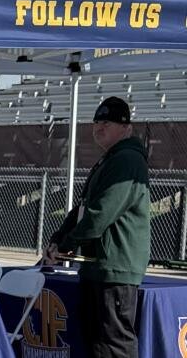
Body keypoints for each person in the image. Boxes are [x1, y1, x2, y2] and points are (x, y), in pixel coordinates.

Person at [43, 96, 149, 357]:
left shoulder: (126, 160)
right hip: (98, 266)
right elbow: (82, 209)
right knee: (97, 343)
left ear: (126, 128)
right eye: (96, 122)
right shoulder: (110, 159)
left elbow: (99, 216)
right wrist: (59, 239)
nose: (99, 127)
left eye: (108, 122)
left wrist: (66, 246)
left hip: (114, 270)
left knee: (113, 345)